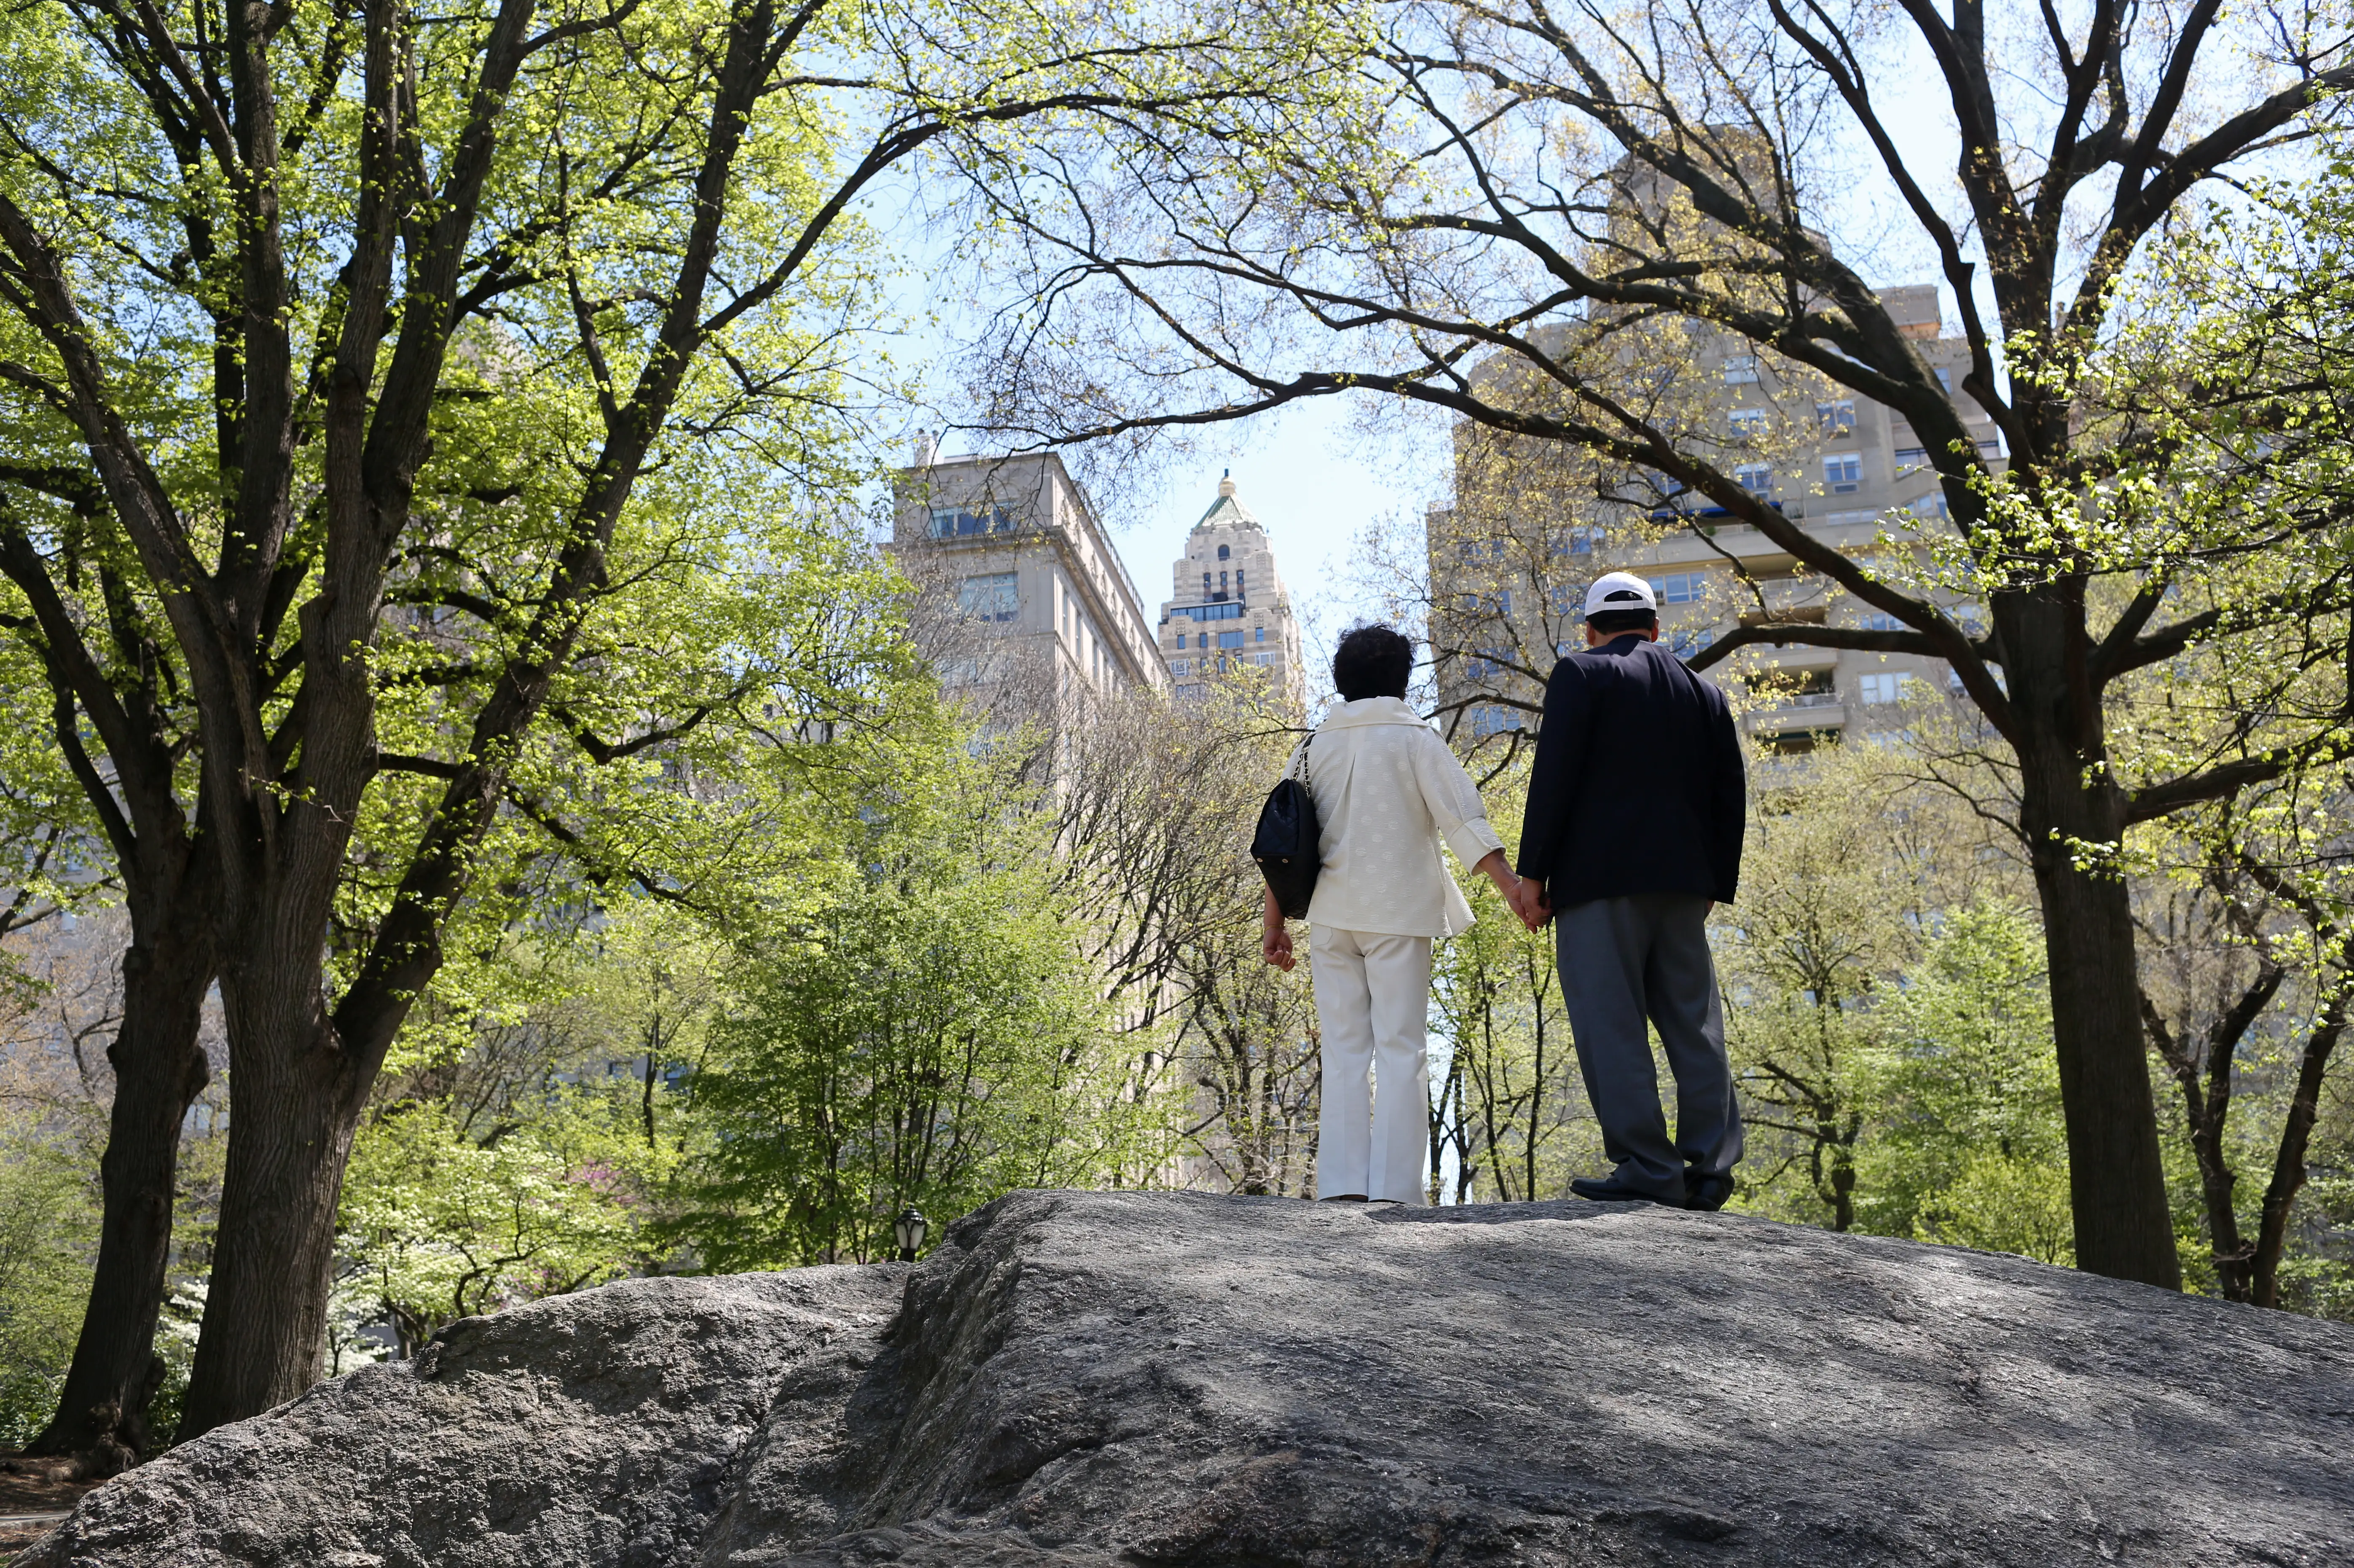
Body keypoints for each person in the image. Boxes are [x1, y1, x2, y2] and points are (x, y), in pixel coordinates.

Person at [1508, 572, 1747, 1210]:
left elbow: (1553, 779)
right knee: (1695, 1026)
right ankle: (1712, 1168)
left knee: (1612, 1025)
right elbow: (1731, 797)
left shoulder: (1580, 675)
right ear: (1656, 628)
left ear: (1590, 630)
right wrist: (1714, 886)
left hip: (1599, 884)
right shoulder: (1705, 692)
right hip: (1684, 887)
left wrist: (1533, 877)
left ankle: (1649, 1165)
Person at [1262, 624, 1522, 1205]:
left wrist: (1274, 926)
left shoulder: (1309, 747)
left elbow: (1283, 840)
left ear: (1342, 682)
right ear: (1403, 682)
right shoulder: (1416, 740)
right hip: (1398, 913)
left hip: (1331, 917)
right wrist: (1511, 887)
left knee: (1346, 1046)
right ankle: (1397, 1193)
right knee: (1401, 1047)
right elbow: (1462, 820)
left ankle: (1341, 1188)